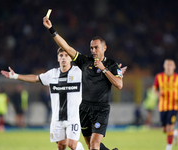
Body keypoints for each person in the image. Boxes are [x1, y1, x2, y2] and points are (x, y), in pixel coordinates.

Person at [43, 16, 127, 150]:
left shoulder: (111, 64)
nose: (93, 51)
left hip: (101, 109)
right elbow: (66, 47)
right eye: (91, 48)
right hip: (84, 108)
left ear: (104, 48)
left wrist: (103, 69)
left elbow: (119, 84)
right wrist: (51, 30)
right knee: (90, 146)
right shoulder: (85, 61)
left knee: (94, 145)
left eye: (96, 48)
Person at [1, 48, 84, 150]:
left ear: (71, 58)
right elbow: (36, 78)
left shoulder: (79, 72)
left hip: (73, 117)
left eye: (66, 55)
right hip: (57, 118)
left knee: (72, 145)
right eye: (61, 55)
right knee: (61, 146)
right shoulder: (52, 74)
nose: (63, 58)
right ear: (58, 58)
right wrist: (16, 76)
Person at [152, 59, 178, 150]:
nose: (169, 66)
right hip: (162, 106)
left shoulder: (177, 77)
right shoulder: (159, 76)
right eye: (167, 64)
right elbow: (154, 88)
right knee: (164, 130)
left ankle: (169, 146)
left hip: (174, 106)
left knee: (169, 126)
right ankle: (175, 133)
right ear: (164, 66)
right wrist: (158, 94)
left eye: (171, 65)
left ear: (174, 67)